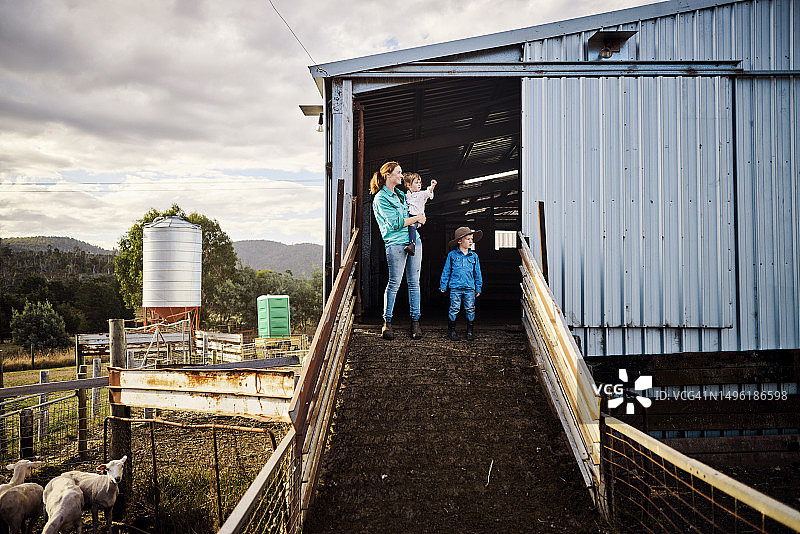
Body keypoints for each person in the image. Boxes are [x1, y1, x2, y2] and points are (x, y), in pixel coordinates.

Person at [371, 161, 427, 340]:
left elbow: (414, 210)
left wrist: (420, 217)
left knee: (414, 283)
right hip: (396, 243)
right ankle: (387, 322)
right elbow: (396, 224)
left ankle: (415, 322)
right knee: (394, 283)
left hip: (414, 241)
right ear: (388, 175)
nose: (402, 176)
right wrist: (417, 218)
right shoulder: (381, 198)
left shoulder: (402, 195)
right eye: (399, 173)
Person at [439, 226, 483, 341]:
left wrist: (478, 287)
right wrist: (443, 285)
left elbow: (477, 273)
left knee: (470, 308)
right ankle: (452, 330)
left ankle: (469, 331)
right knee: (454, 308)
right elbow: (446, 270)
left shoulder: (474, 256)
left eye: (471, 239)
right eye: (468, 239)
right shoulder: (452, 255)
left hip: (469, 288)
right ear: (459, 241)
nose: (471, 241)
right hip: (455, 288)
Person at [402, 172, 437, 256]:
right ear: (409, 185)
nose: (419, 184)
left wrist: (432, 186)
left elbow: (428, 193)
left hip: (418, 217)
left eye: (420, 182)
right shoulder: (406, 195)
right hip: (409, 216)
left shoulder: (421, 194)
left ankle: (412, 245)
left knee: (412, 226)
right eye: (416, 182)